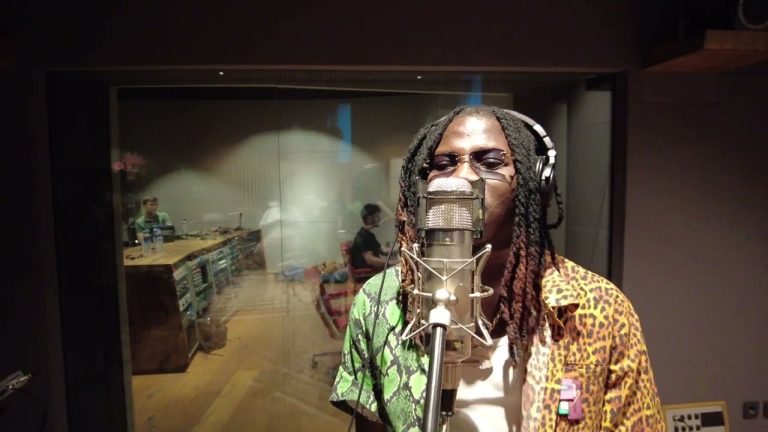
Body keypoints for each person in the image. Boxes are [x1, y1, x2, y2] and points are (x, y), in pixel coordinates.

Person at [330, 106, 664, 431]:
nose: (462, 177)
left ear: (537, 182)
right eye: (443, 164)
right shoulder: (378, 302)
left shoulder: (600, 307)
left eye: (489, 162)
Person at [350, 203, 398, 271]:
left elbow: (382, 250)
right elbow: (370, 260)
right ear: (369, 219)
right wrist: (391, 262)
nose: (379, 219)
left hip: (374, 268)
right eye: (377, 216)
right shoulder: (362, 236)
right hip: (368, 272)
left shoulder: (369, 234)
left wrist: (400, 251)